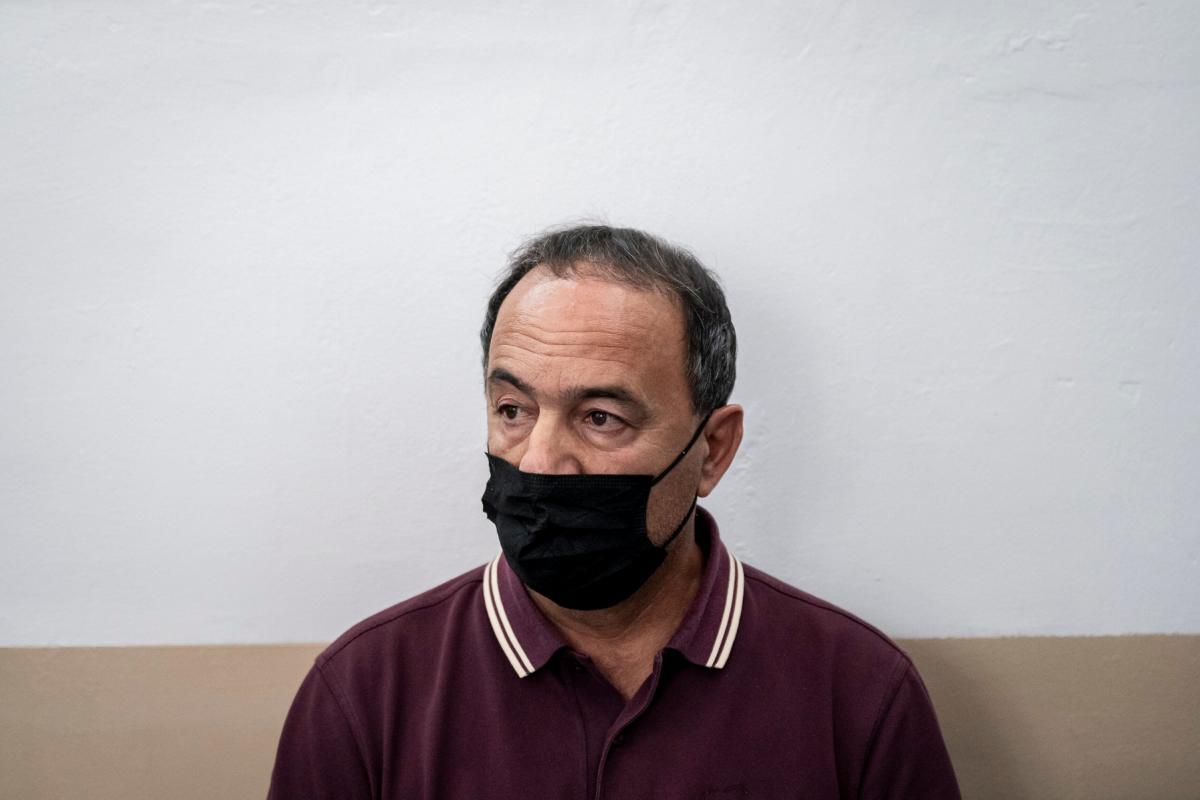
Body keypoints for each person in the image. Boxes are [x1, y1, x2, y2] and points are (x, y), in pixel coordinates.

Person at [268, 224, 961, 798]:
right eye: (512, 409)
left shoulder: (861, 694)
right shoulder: (363, 693)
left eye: (600, 417)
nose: (540, 461)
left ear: (712, 451)